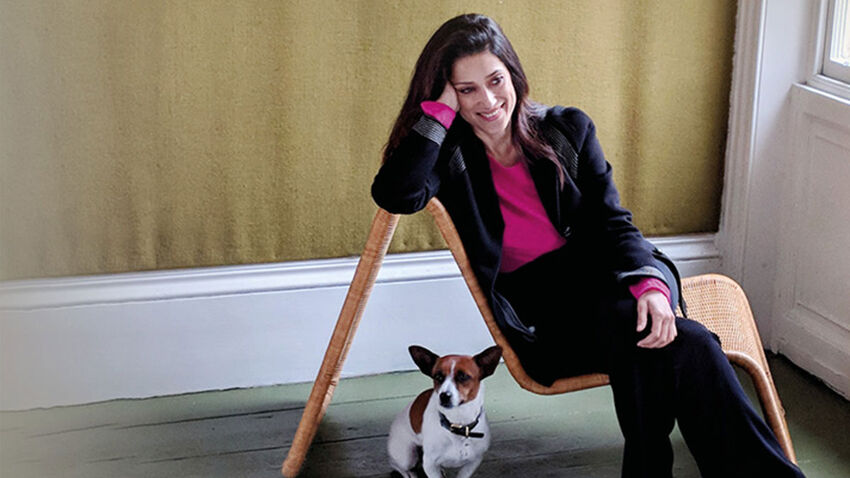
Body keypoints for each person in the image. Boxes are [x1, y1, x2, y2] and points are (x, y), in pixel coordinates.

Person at [371, 13, 805, 478]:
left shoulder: (567, 129)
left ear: (513, 74)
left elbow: (613, 224)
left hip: (611, 282)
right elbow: (396, 193)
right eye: (466, 89)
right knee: (687, 344)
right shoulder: (450, 156)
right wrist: (437, 112)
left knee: (668, 344)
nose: (488, 100)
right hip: (547, 318)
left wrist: (652, 287)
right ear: (448, 92)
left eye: (496, 80)